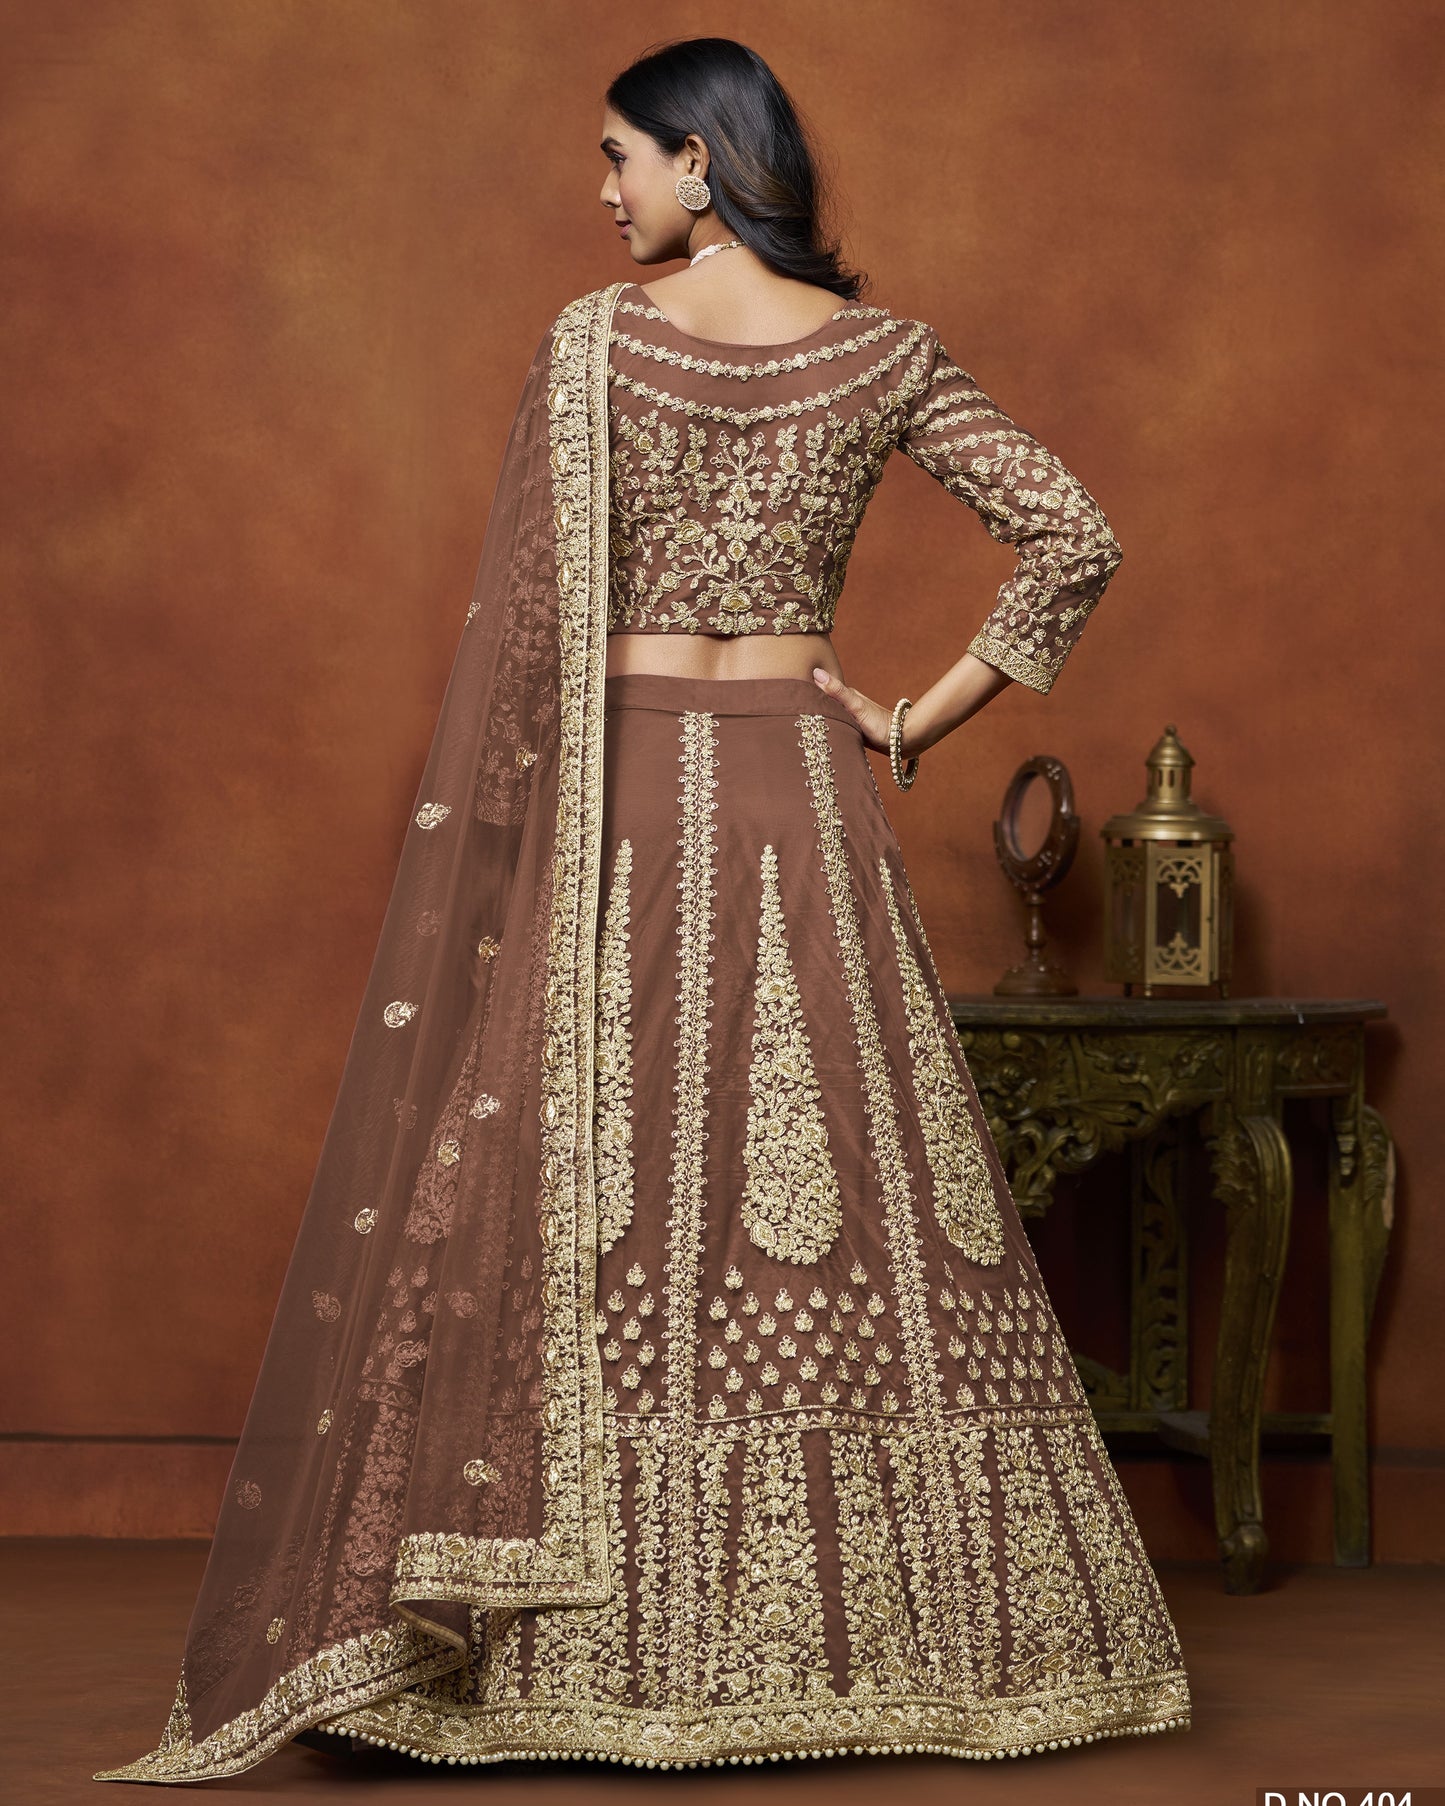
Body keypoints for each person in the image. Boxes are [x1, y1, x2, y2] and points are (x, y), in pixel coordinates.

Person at [97, 36, 1190, 1784]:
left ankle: (544, 1653)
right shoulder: (882, 355)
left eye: (617, 159)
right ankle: (902, 1646)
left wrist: (509, 860)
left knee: (582, 1182)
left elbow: (532, 643)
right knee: (845, 1190)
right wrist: (906, 719)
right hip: (799, 792)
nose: (602, 193)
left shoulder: (593, 345)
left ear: (698, 157)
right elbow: (1071, 533)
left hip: (621, 799)